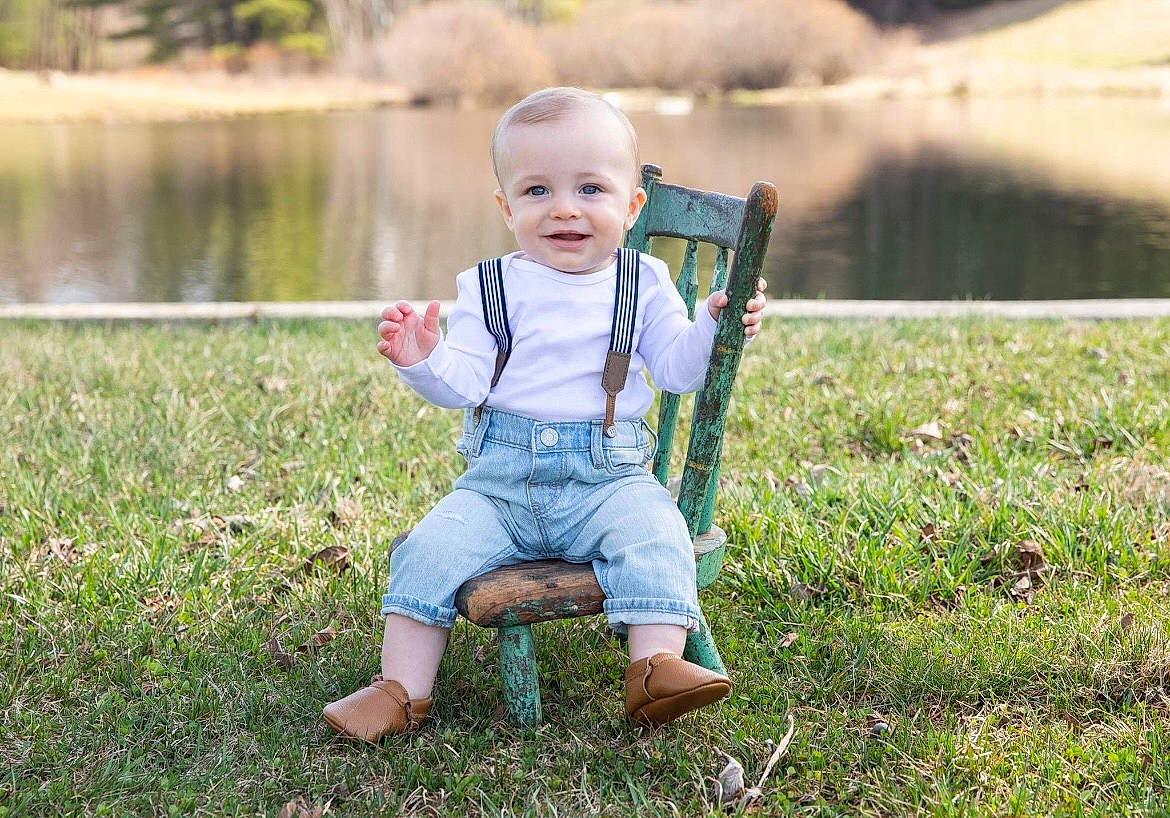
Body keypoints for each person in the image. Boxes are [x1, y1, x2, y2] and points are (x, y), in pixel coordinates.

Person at [323, 86, 767, 742]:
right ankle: (400, 691)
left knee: (656, 534)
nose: (564, 208)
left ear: (630, 204)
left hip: (606, 481)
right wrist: (423, 358)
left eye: (590, 189)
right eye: (537, 192)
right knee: (427, 550)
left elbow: (677, 369)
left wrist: (713, 323)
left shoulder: (640, 282)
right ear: (506, 206)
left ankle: (654, 668)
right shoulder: (489, 286)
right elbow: (465, 380)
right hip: (498, 487)